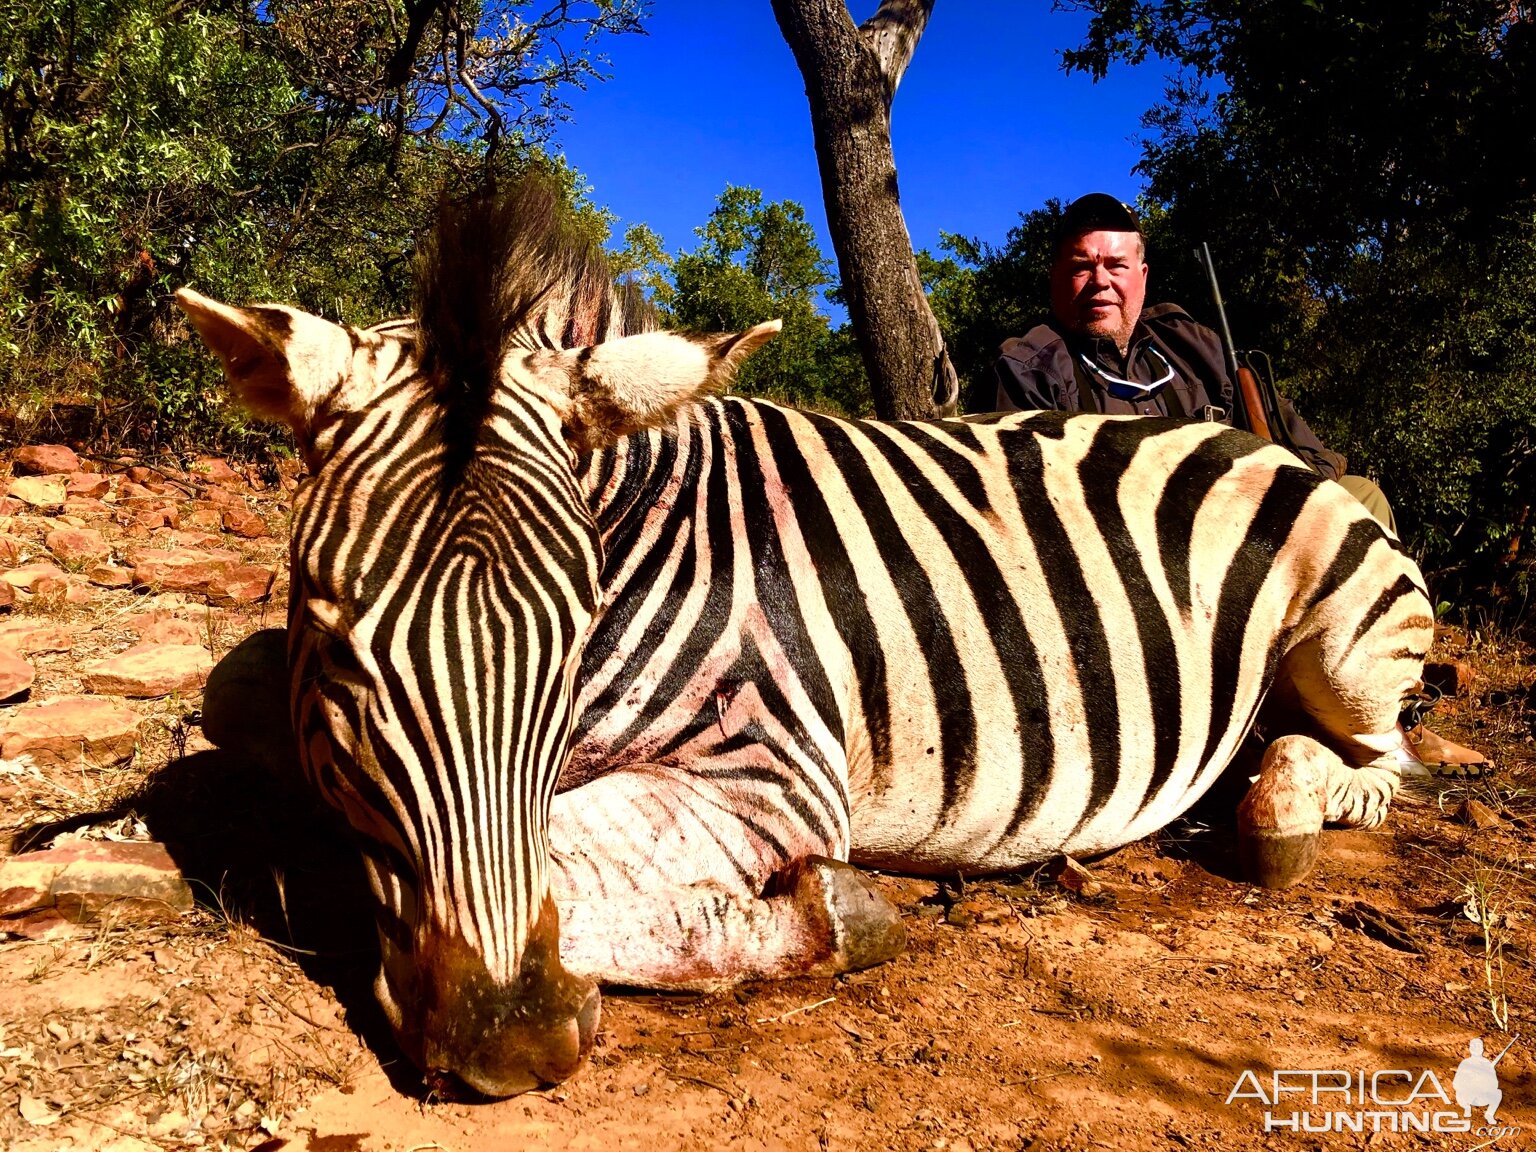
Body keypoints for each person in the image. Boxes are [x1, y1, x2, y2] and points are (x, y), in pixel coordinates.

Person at [991, 192, 1486, 774]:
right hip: (1142, 565)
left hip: (1255, 536)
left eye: (1116, 266)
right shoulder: (1028, 366)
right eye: (1082, 266)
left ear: (1141, 276)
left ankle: (1394, 715)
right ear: (1057, 277)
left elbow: (1305, 448)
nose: (1100, 281)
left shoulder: (1194, 345)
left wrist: (1297, 495)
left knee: (1364, 497)